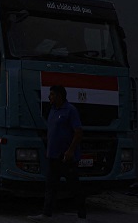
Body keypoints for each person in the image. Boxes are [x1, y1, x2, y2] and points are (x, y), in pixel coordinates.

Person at [29, 85, 86, 220]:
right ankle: (46, 213)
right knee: (50, 186)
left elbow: (78, 132)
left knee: (74, 187)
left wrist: (70, 150)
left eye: (52, 94)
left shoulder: (70, 110)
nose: (49, 97)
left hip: (66, 157)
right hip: (53, 156)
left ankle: (82, 216)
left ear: (59, 96)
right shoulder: (53, 110)